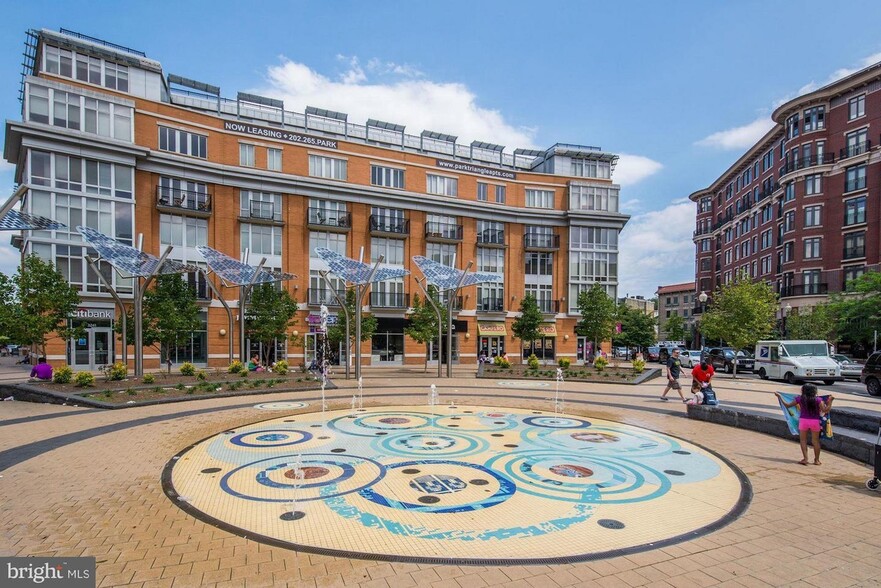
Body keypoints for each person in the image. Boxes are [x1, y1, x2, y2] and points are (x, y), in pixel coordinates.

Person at [776, 384, 834, 465]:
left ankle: (805, 459)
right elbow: (825, 410)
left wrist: (779, 396)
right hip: (815, 422)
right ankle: (817, 460)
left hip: (803, 421)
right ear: (814, 391)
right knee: (815, 441)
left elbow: (787, 405)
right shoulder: (818, 400)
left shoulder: (800, 399)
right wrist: (830, 401)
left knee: (803, 440)